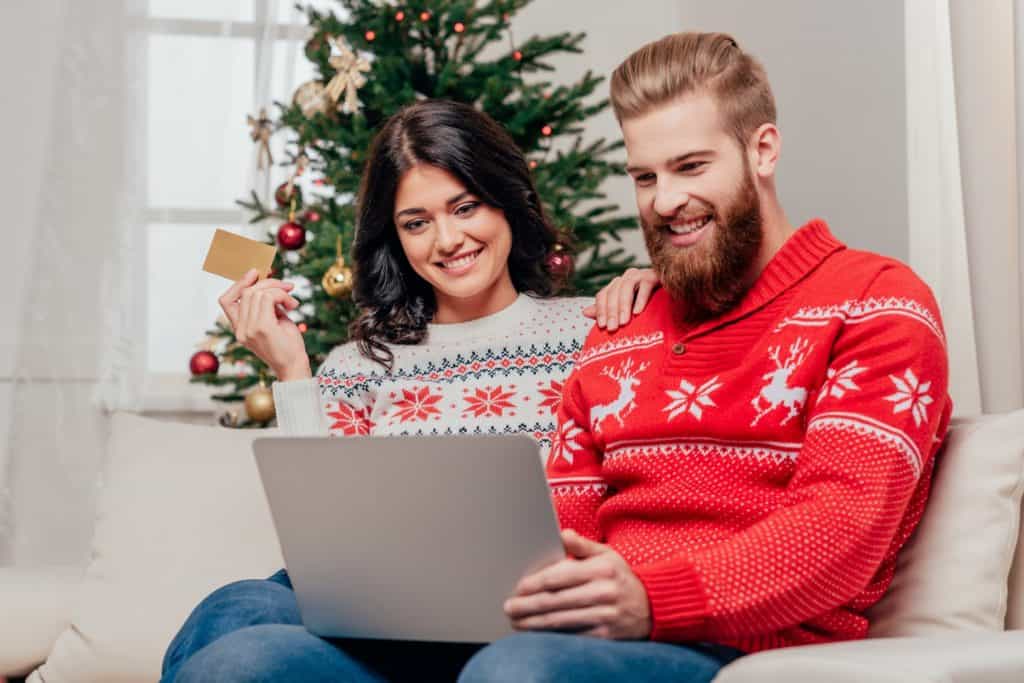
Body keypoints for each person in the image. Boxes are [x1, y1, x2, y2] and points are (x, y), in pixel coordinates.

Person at [455, 31, 953, 683]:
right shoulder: (621, 327)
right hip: (585, 634)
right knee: (276, 646)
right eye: (644, 176)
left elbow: (841, 533)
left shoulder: (878, 303)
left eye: (691, 167)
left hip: (744, 646)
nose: (664, 201)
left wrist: (652, 600)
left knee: (517, 671)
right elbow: (559, 524)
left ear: (762, 150)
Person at [161, 99, 658, 682]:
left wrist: (661, 292)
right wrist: (293, 371)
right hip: (380, 632)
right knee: (238, 608)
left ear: (507, 202)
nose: (447, 240)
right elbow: (322, 545)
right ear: (394, 237)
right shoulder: (361, 363)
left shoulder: (597, 329)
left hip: (526, 624)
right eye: (416, 223)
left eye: (465, 207)